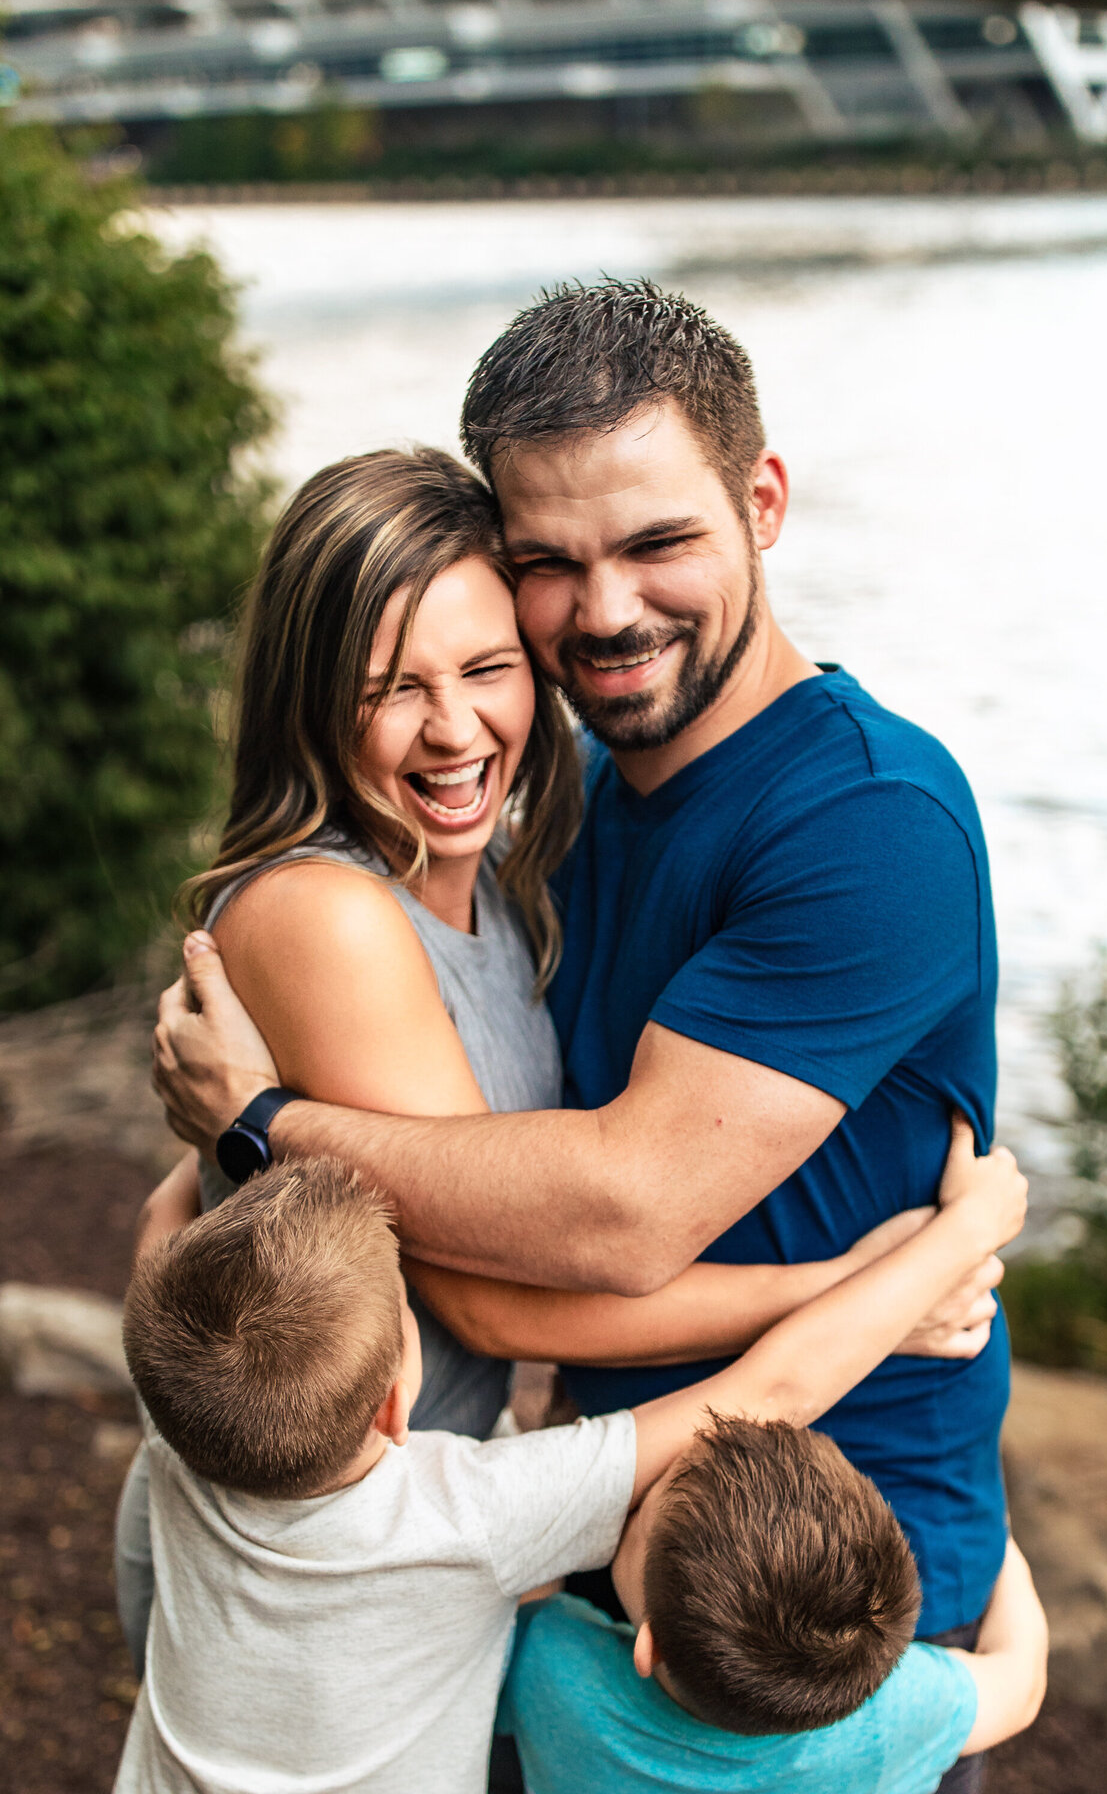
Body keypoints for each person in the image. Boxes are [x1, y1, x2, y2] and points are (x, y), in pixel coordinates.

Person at [155, 281, 1010, 1791]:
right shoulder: (590, 795)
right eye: (549, 563)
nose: (604, 611)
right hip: (600, 1536)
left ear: (763, 502)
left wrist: (263, 1121)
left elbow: (614, 1210)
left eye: (657, 542)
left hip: (811, 1578)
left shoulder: (867, 820)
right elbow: (507, 1250)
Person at [115, 1135, 1026, 1794]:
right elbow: (776, 1388)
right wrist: (963, 1231)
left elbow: (163, 1225)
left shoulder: (177, 1430)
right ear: (400, 1398)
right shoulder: (474, 1518)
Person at [500, 1439, 1047, 1794]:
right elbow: (1020, 1687)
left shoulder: (549, 1663)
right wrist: (1000, 1539)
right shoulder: (891, 1721)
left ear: (652, 1646)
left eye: (643, 1505)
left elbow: (524, 1577)